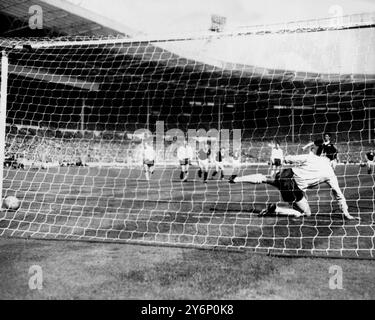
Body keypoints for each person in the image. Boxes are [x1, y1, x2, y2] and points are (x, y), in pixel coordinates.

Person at [229, 139, 357, 220]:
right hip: (292, 187)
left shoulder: (310, 157)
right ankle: (276, 210)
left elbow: (289, 158)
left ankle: (236, 179)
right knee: (306, 213)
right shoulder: (330, 173)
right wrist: (346, 213)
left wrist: (288, 159)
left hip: (286, 174)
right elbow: (338, 194)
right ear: (333, 159)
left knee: (265, 178)